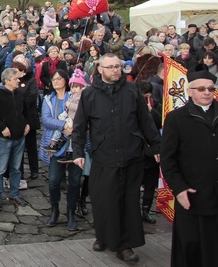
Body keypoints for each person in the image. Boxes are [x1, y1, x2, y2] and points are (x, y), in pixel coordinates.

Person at [71, 53, 161, 263]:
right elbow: (80, 126)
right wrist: (77, 152)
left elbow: (145, 120)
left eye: (117, 67)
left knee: (128, 201)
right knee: (105, 200)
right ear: (100, 69)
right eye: (110, 67)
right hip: (104, 156)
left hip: (131, 154)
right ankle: (103, 236)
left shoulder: (132, 90)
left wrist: (157, 145)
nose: (115, 70)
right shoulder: (90, 94)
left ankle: (124, 245)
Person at [160, 67, 218, 267]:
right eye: (201, 89)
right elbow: (168, 159)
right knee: (191, 249)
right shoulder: (176, 118)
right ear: (190, 91)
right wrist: (179, 188)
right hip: (192, 196)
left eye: (210, 88)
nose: (207, 92)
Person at [0, 67, 31, 211]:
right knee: (0, 169)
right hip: (4, 139)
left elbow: (25, 111)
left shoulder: (19, 94)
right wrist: (1, 127)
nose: (19, 80)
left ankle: (14, 194)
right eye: (16, 78)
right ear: (7, 80)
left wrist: (27, 123)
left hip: (19, 137)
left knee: (16, 169)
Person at [39, 69, 81, 231]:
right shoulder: (48, 99)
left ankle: (71, 212)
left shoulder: (76, 96)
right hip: (56, 145)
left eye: (59, 78)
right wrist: (63, 125)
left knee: (75, 181)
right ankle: (54, 210)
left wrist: (74, 127)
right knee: (54, 181)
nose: (56, 81)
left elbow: (84, 115)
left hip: (75, 144)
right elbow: (46, 120)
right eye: (53, 79)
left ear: (66, 80)